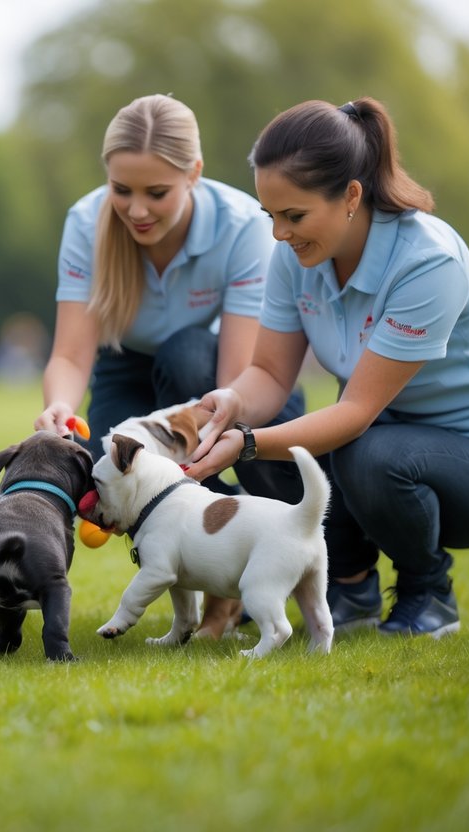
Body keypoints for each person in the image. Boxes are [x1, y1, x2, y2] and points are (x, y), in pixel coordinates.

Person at [187, 97, 469, 638]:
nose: (279, 234)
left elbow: (356, 412)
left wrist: (245, 441)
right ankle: (349, 584)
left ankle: (428, 591)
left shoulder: (428, 261)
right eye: (271, 216)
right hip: (376, 438)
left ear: (352, 196)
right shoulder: (294, 256)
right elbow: (267, 373)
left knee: (357, 450)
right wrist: (232, 406)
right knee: (274, 447)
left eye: (294, 216)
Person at [33, 93, 304, 637]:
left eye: (156, 193)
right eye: (121, 190)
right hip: (126, 367)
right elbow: (68, 354)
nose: (135, 209)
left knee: (185, 359)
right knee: (102, 474)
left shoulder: (242, 226)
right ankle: (210, 590)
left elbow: (235, 381)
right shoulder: (86, 222)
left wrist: (196, 460)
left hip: (211, 371)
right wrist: (58, 406)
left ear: (194, 174)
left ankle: (236, 589)